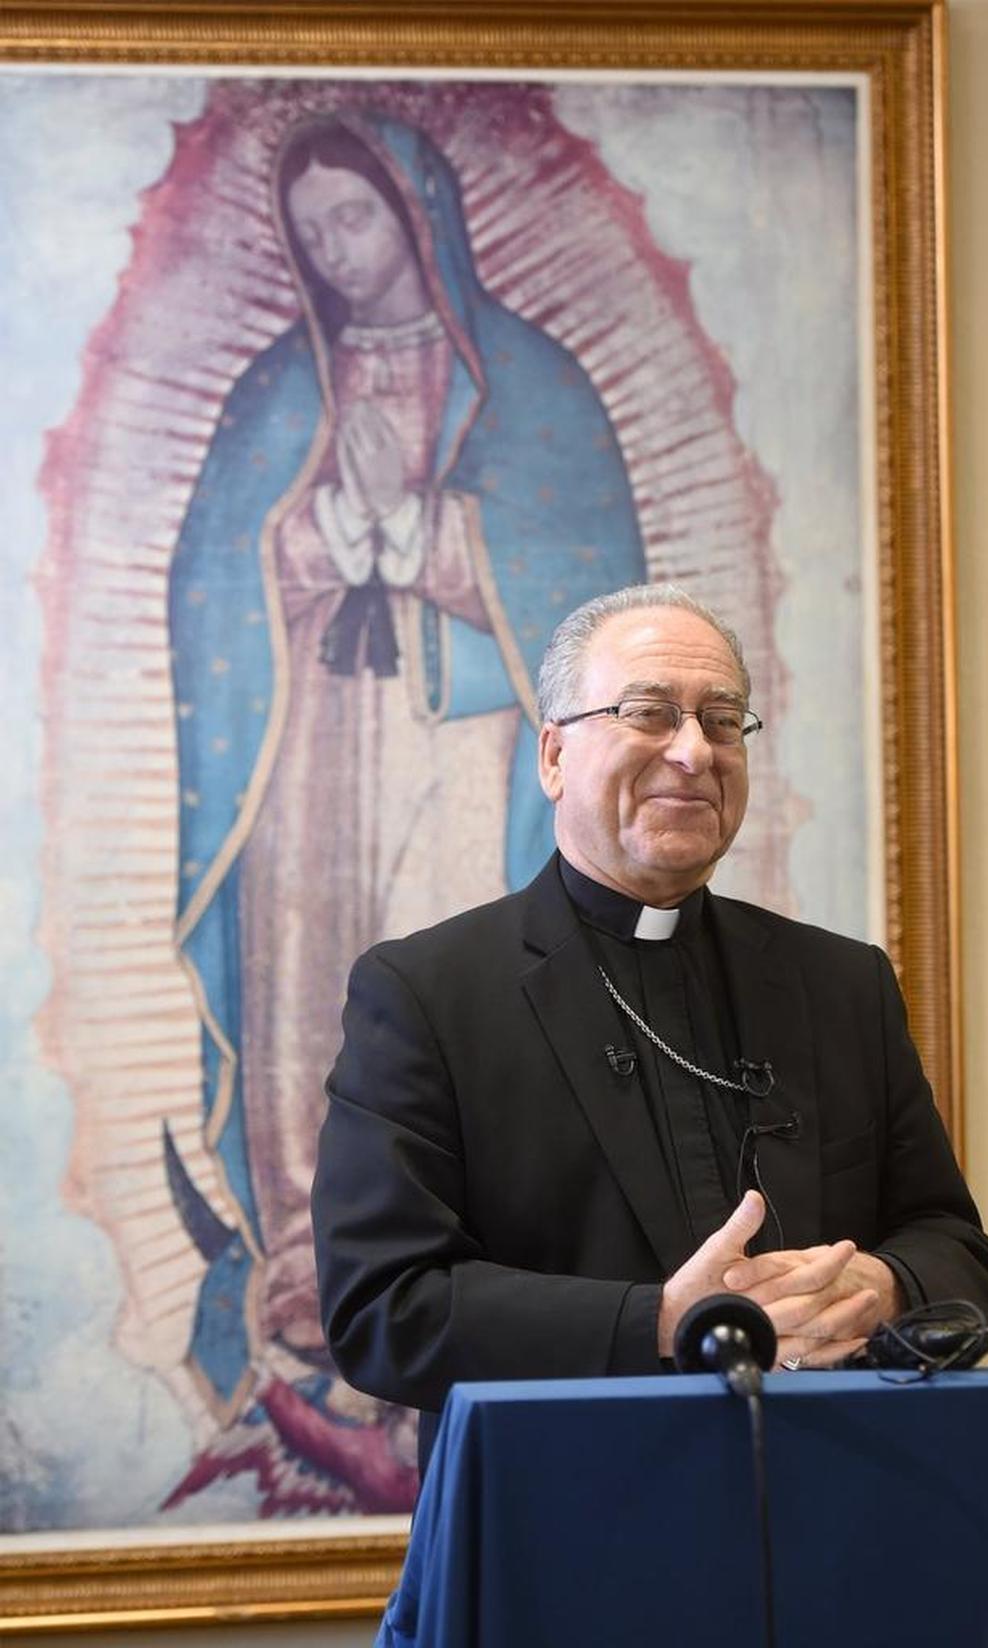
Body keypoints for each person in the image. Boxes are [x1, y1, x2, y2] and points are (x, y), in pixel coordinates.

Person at [166, 111, 643, 1425]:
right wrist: (310, 539)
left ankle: (466, 1291)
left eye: (355, 218)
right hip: (311, 745)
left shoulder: (529, 385)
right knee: (310, 994)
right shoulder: (282, 388)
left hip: (465, 745)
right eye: (312, 231)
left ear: (415, 211)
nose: (337, 250)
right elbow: (211, 573)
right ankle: (310, 1287)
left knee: (451, 1004)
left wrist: (436, 539)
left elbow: (599, 603)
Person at [313, 584, 988, 1474]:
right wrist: (664, 1322)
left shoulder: (842, 983)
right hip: (566, 1528)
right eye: (649, 713)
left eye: (723, 721)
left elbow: (956, 1249)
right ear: (555, 755)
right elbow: (383, 1310)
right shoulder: (426, 993)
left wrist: (883, 1286)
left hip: (841, 1508)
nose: (693, 751)